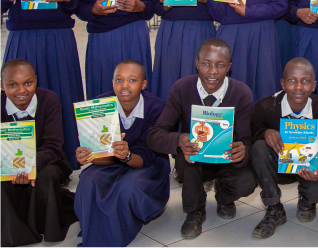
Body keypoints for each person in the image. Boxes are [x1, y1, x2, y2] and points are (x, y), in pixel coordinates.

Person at [147, 38, 257, 239]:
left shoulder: (242, 92)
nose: (212, 71)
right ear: (197, 64)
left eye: (220, 65)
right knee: (186, 156)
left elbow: (247, 140)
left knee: (247, 180)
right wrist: (179, 139)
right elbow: (155, 135)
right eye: (206, 63)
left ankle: (224, 197)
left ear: (229, 67)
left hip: (226, 160)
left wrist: (244, 150)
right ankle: (194, 210)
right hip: (194, 161)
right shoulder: (181, 88)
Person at [0, 0, 83, 169]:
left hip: (58, 39)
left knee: (61, 95)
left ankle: (64, 161)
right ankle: (17, 160)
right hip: (22, 38)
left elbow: (80, 6)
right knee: (19, 97)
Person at [74, 60, 170, 248]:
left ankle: (109, 235)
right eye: (119, 80)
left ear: (143, 84)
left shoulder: (156, 107)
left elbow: (146, 156)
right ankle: (96, 227)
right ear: (112, 82)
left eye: (132, 80)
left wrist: (126, 155)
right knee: (88, 180)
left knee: (127, 187)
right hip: (112, 162)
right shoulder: (100, 105)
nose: (124, 85)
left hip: (146, 164)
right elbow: (105, 157)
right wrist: (91, 157)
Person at [250, 57, 318, 238]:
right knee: (259, 147)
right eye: (292, 80)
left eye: (305, 81)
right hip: (277, 167)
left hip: (308, 168)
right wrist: (265, 132)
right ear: (282, 83)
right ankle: (274, 208)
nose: (298, 87)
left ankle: (307, 201)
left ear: (313, 85)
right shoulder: (265, 107)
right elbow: (251, 135)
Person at [0, 59, 77, 247]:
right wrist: (12, 167)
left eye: (28, 83)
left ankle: (45, 226)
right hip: (7, 162)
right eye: (12, 85)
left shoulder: (49, 99)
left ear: (35, 80)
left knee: (47, 175)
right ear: (2, 85)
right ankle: (13, 231)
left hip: (47, 159)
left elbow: (54, 145)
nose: (21, 90)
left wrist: (28, 166)